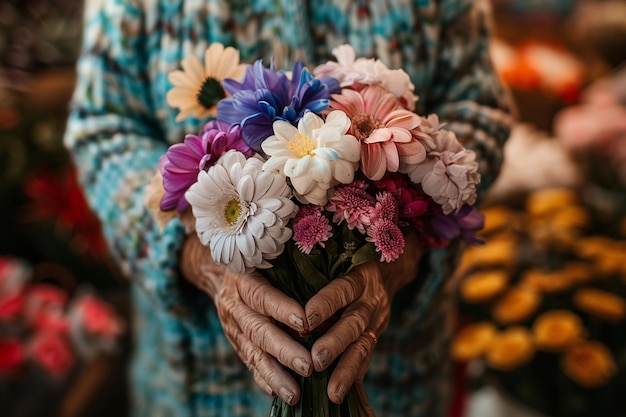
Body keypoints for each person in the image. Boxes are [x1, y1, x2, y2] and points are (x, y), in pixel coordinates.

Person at [64, 0, 513, 416]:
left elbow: (479, 106)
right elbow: (103, 126)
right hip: (195, 389)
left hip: (397, 382)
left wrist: (403, 246)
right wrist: (195, 253)